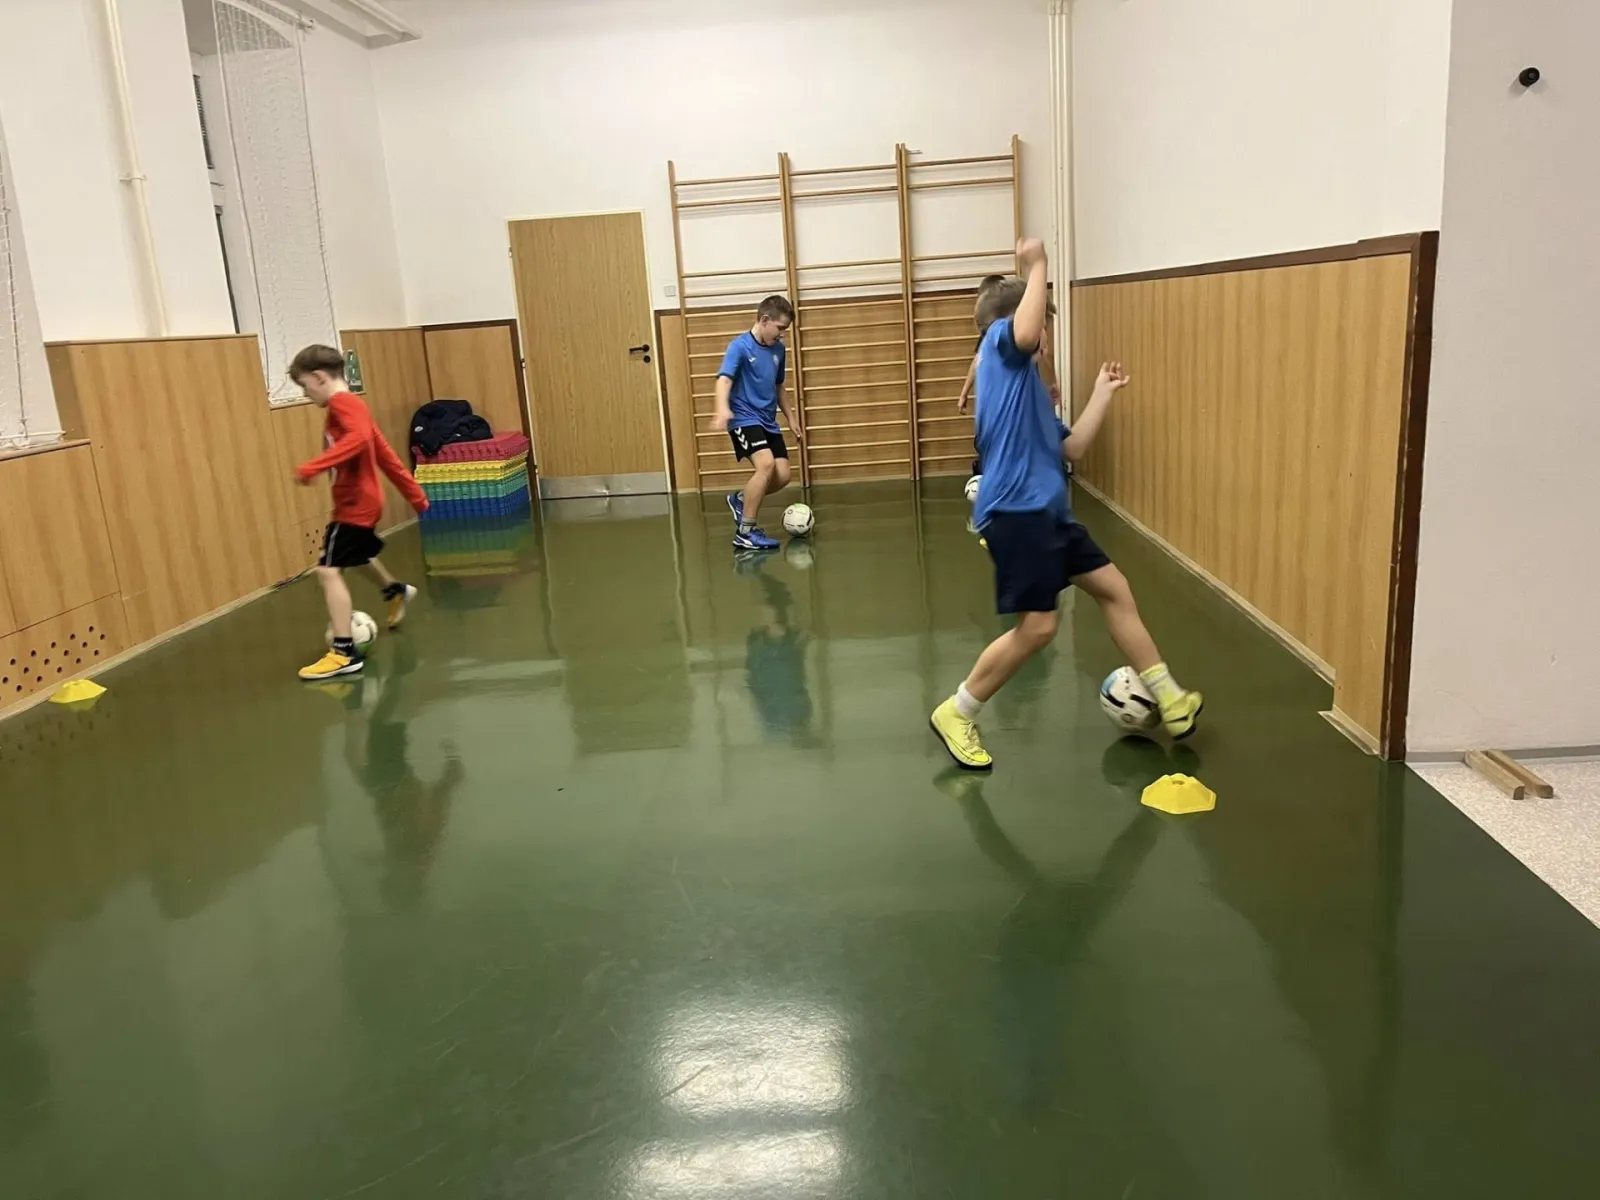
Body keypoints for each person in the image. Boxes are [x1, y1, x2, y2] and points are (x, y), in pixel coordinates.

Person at [929, 238, 1202, 769]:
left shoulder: (1025, 387)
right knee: (1038, 628)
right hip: (1016, 512)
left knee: (1115, 590)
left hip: (1048, 515)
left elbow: (1071, 447)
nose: (1046, 334)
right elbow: (1025, 330)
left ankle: (1170, 697)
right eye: (1044, 322)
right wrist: (1038, 265)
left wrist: (1102, 392)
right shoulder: (999, 346)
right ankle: (956, 711)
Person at [290, 344, 429, 681]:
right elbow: (384, 453)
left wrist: (313, 467)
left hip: (355, 504)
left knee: (327, 570)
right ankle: (394, 590)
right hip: (361, 501)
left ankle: (343, 652)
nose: (306, 394)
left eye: (305, 386)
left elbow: (359, 439)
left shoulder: (343, 404)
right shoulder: (354, 405)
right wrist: (416, 496)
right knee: (355, 555)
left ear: (319, 377)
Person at [711, 295, 802, 550]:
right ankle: (746, 532)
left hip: (767, 420)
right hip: (743, 417)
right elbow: (724, 380)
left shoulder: (778, 350)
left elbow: (779, 386)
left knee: (783, 475)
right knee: (766, 464)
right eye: (780, 328)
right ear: (764, 320)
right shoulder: (739, 347)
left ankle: (741, 499)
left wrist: (791, 418)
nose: (782, 334)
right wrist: (722, 409)